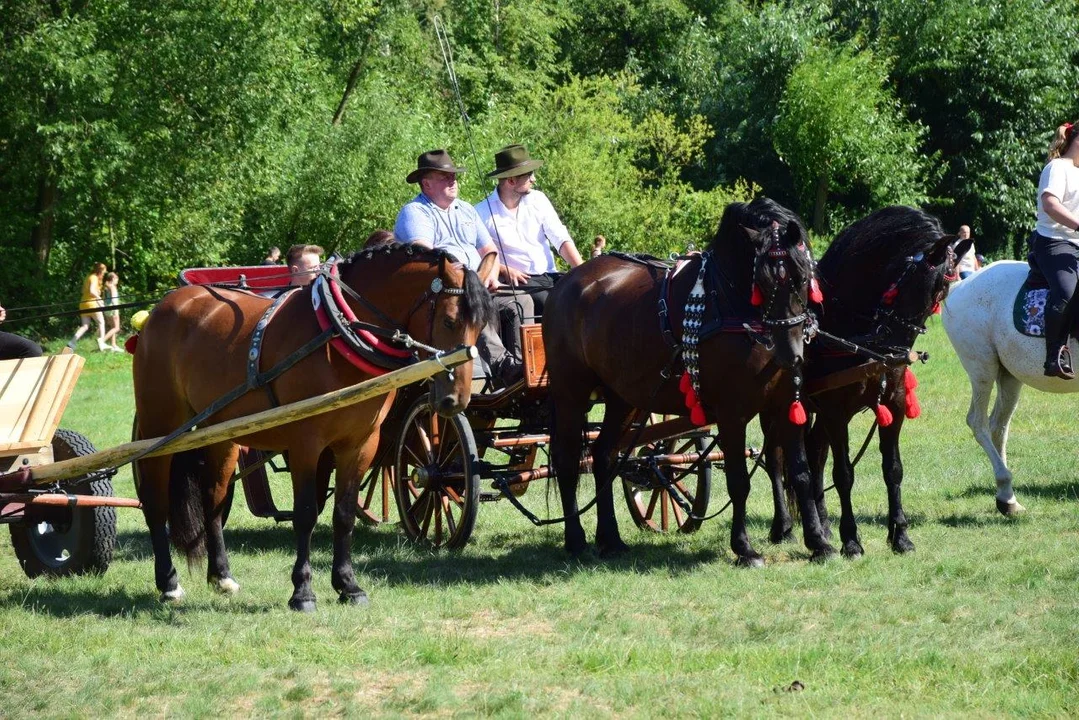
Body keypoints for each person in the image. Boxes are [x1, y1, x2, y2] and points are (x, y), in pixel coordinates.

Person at [393, 148, 525, 386]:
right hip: (442, 294)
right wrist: (472, 284)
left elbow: (490, 252)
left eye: (454, 175)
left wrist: (491, 277)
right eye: (445, 177)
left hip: (480, 284)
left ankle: (520, 368)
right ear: (426, 184)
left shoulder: (465, 209)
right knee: (470, 307)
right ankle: (502, 367)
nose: (453, 180)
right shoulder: (415, 212)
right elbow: (431, 259)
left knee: (521, 301)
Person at [476, 144, 584, 316]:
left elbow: (561, 238)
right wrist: (504, 269)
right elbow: (480, 257)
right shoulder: (481, 212)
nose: (534, 179)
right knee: (550, 303)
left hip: (550, 276)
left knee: (584, 297)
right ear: (511, 181)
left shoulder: (538, 200)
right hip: (519, 282)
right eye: (529, 175)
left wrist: (583, 271)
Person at [1031, 121, 1079, 379]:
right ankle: (1054, 356)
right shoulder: (1058, 168)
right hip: (1053, 241)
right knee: (1066, 291)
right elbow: (1050, 204)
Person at [67, 262, 108, 352]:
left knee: (85, 326)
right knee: (101, 322)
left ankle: (72, 342)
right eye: (103, 272)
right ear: (100, 271)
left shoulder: (88, 277)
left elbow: (84, 291)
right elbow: (92, 291)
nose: (104, 274)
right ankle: (102, 342)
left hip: (84, 304)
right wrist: (99, 299)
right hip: (92, 304)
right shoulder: (94, 278)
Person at [101, 272, 124, 351]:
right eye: (117, 279)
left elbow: (104, 299)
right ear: (113, 278)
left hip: (107, 308)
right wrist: (116, 310)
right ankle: (102, 341)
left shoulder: (106, 287)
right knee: (116, 327)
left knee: (112, 327)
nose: (117, 281)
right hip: (113, 308)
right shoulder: (113, 287)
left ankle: (114, 345)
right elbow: (114, 300)